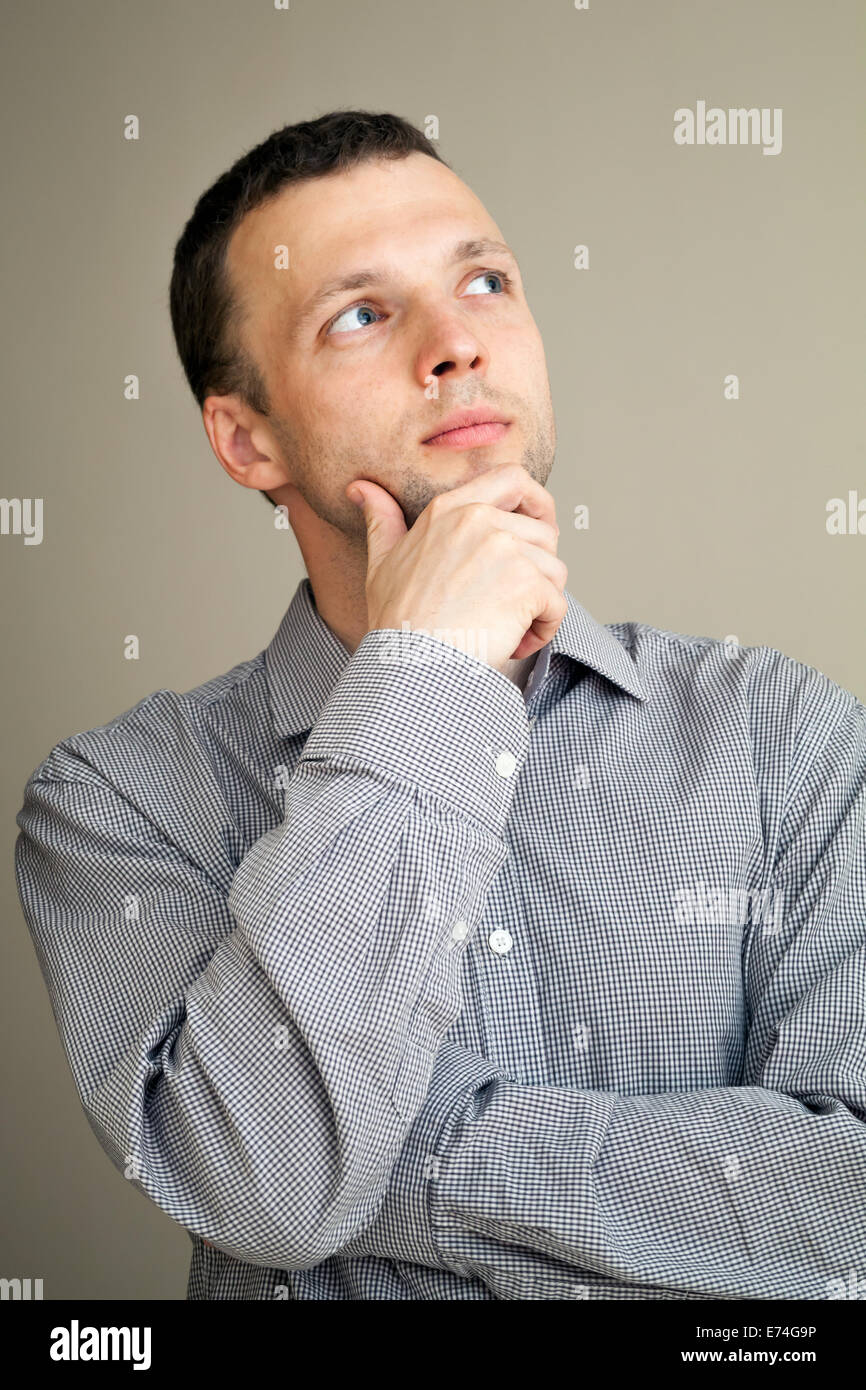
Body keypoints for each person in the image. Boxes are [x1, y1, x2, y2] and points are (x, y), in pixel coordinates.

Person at [15, 110, 866, 1301]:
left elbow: (852, 1215)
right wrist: (425, 676)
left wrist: (379, 1164)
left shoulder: (787, 737)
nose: (456, 342)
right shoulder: (117, 800)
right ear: (246, 437)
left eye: (484, 280)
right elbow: (262, 1184)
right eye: (359, 314)